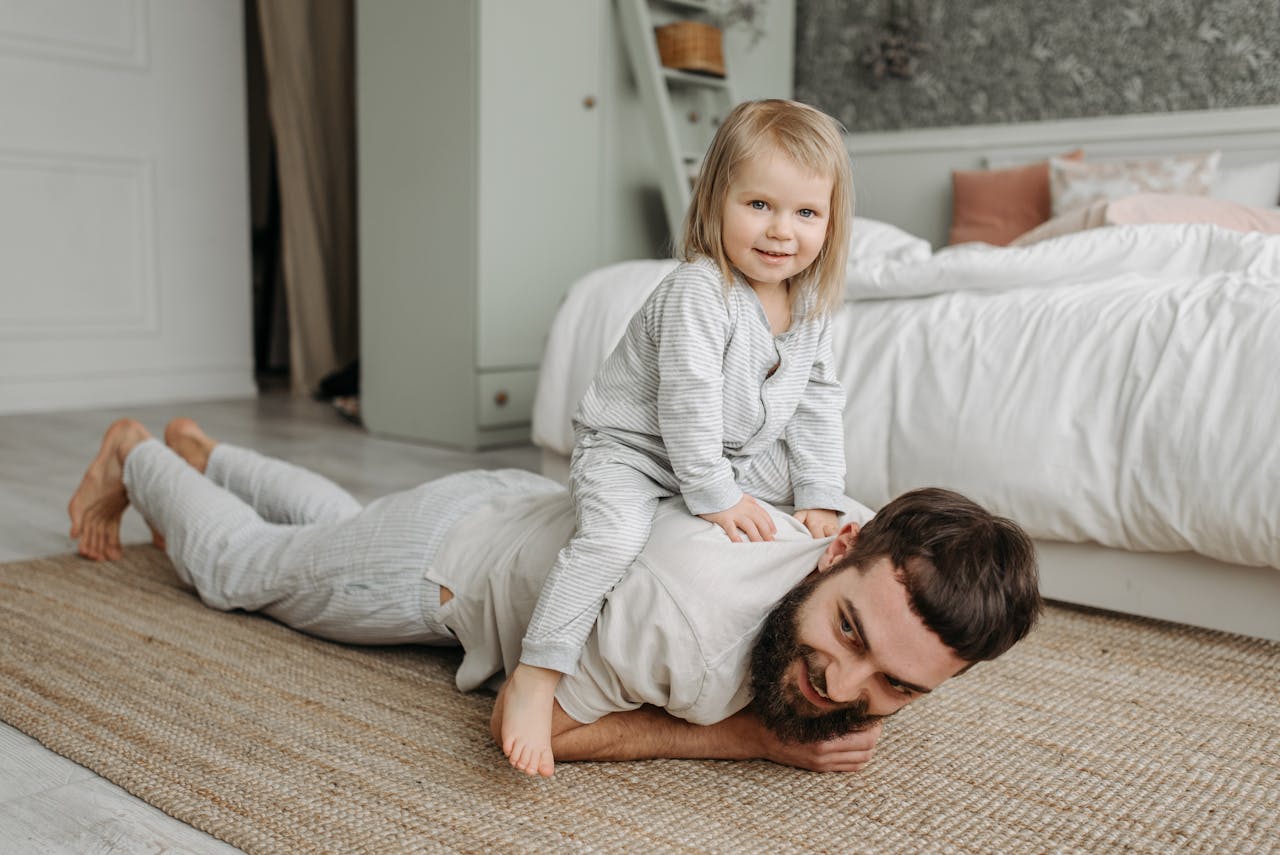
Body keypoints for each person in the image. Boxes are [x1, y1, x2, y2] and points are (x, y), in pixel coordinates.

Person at [68, 418, 1043, 775]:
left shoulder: (880, 543)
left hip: (526, 513)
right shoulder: (684, 609)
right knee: (244, 572)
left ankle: (216, 456)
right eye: (845, 633)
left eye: (897, 688)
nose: (842, 687)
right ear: (833, 550)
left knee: (327, 532)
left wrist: (870, 666)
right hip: (442, 565)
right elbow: (534, 724)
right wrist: (744, 738)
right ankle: (141, 457)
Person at [503, 98, 856, 776]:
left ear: (831, 220)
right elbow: (688, 401)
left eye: (806, 213)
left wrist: (818, 489)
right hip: (635, 453)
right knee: (608, 539)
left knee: (810, 513)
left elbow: (816, 400)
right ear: (716, 199)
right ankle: (537, 674)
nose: (782, 231)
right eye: (759, 205)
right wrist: (714, 495)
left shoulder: (809, 305)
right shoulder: (700, 289)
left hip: (723, 454)